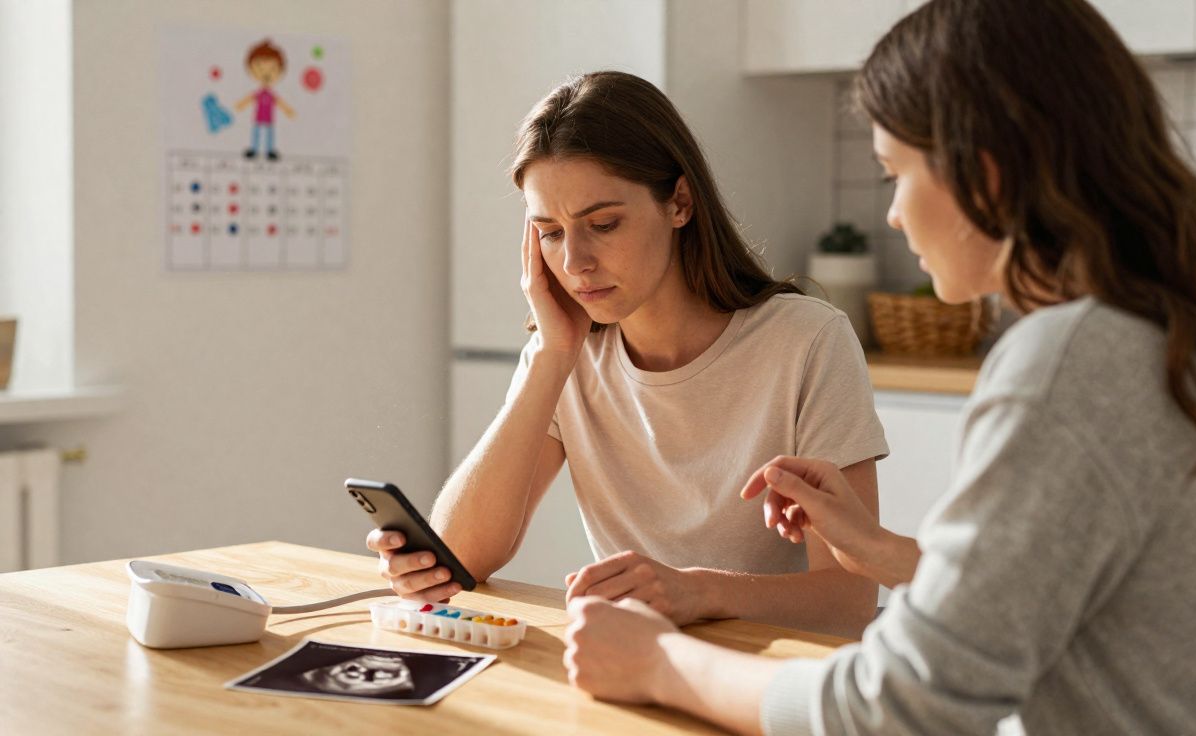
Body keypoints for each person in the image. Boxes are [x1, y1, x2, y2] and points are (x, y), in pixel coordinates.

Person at [561, 1, 1196, 733]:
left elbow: (898, 708)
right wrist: (890, 556)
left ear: (979, 174)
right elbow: (1128, 606)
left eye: (894, 173)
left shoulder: (1071, 361)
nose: (892, 213)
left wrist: (661, 662)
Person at [368, 71, 912, 637]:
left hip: (770, 684)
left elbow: (848, 600)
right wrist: (553, 354)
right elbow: (459, 559)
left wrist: (694, 590)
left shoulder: (807, 341)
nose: (575, 261)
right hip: (630, 668)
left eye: (602, 224)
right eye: (550, 233)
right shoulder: (566, 351)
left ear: (679, 202)